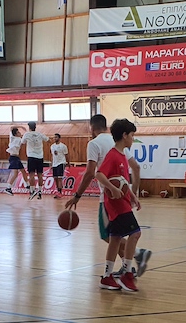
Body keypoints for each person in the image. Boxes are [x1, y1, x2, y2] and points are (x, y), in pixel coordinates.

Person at [65, 114, 151, 278]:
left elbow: (91, 173)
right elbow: (136, 167)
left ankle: (137, 254)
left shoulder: (94, 143)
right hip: (123, 195)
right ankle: (126, 266)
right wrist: (133, 192)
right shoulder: (117, 143)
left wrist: (77, 195)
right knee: (116, 235)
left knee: (109, 235)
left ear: (92, 128)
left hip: (108, 198)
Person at [95, 119, 143, 292]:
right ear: (124, 135)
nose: (133, 139)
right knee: (135, 233)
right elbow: (99, 174)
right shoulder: (113, 155)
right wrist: (112, 188)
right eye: (132, 135)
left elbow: (122, 181)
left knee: (115, 239)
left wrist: (133, 196)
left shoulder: (122, 155)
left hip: (122, 202)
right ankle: (127, 274)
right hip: (117, 205)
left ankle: (107, 277)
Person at [22, 121, 49, 199]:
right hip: (40, 157)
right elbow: (48, 140)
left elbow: (22, 142)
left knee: (31, 174)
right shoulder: (40, 134)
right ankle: (40, 191)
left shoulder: (27, 134)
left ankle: (32, 191)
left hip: (31, 157)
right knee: (40, 174)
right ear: (35, 127)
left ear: (29, 127)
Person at [4, 127, 27, 195]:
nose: (20, 133)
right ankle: (8, 188)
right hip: (13, 157)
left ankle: (27, 185)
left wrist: (24, 129)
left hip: (17, 158)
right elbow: (11, 128)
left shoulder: (20, 139)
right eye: (18, 132)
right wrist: (20, 126)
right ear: (15, 134)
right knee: (15, 173)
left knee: (23, 171)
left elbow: (26, 136)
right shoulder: (12, 138)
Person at [50, 133, 69, 198]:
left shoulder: (63, 146)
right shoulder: (52, 146)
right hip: (54, 164)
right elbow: (52, 155)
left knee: (59, 178)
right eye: (54, 137)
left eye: (56, 137)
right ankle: (58, 190)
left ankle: (60, 192)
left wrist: (68, 163)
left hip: (61, 163)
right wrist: (51, 164)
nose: (55, 138)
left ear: (59, 138)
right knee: (55, 178)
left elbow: (66, 155)